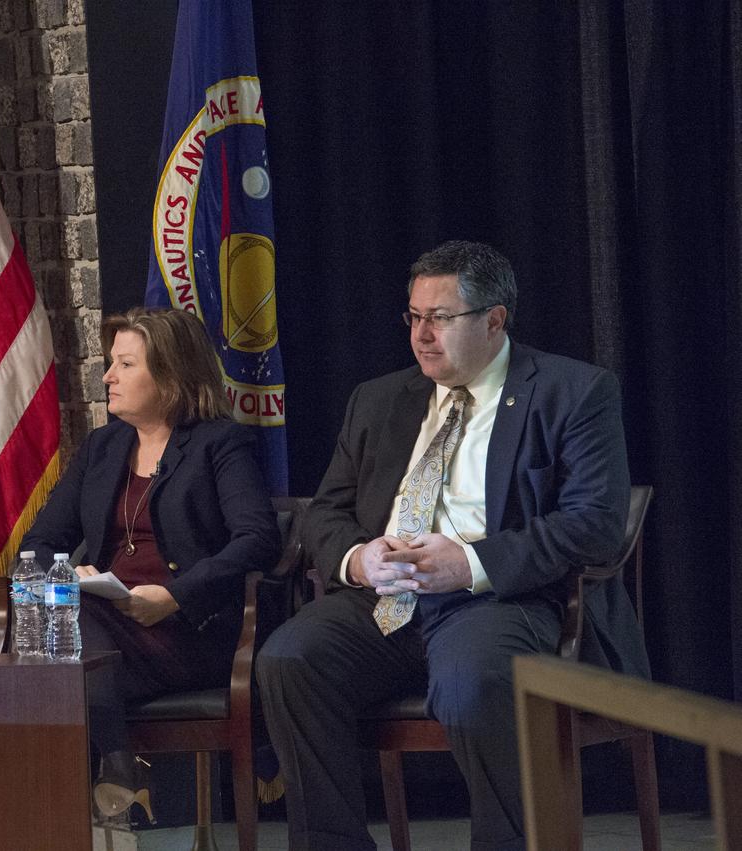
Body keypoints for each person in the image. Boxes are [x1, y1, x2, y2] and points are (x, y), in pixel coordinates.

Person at [257, 241, 650, 850]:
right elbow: (325, 511)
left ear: (495, 319)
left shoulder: (572, 391)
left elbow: (595, 523)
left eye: (440, 318)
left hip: (498, 599)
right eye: (414, 317)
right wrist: (359, 559)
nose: (421, 335)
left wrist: (469, 562)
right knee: (289, 660)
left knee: (474, 681)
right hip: (385, 600)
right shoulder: (379, 399)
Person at [20, 307, 281, 822]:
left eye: (125, 364)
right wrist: (71, 575)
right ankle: (120, 765)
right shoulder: (103, 446)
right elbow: (43, 540)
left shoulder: (219, 444)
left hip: (189, 629)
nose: (108, 377)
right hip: (104, 626)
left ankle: (98, 783)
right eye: (111, 363)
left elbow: (257, 540)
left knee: (53, 645)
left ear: (170, 375)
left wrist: (176, 594)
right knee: (57, 613)